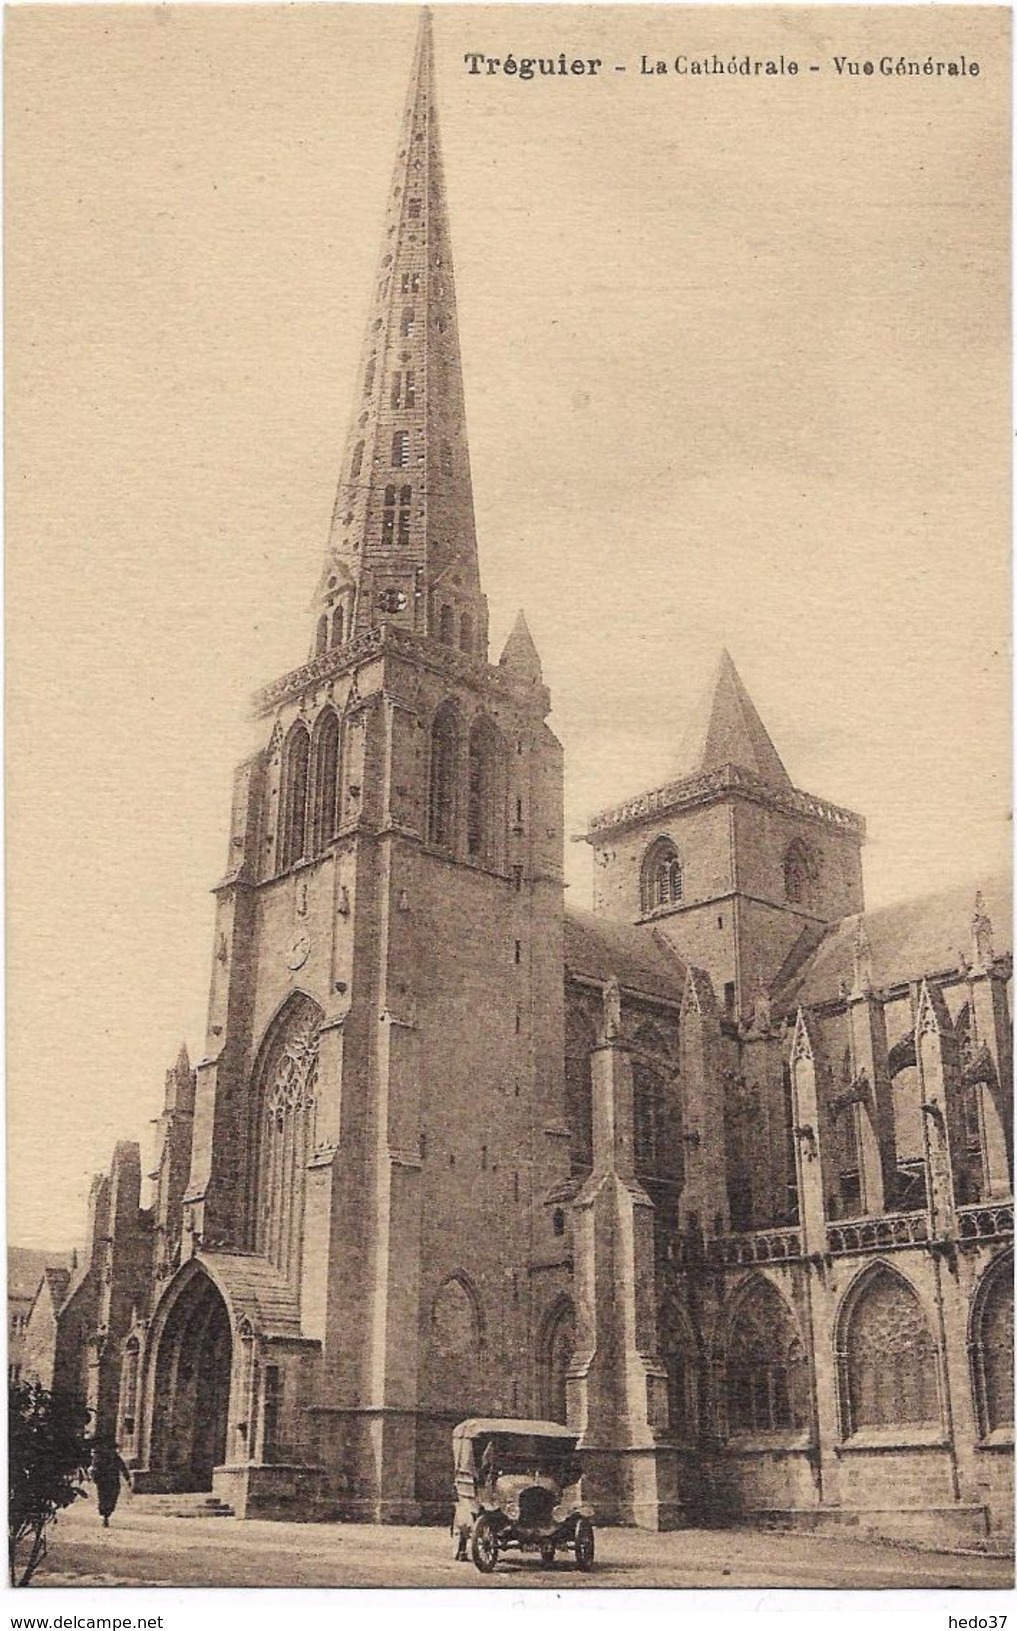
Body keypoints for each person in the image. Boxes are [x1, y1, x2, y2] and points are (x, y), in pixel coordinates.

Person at [91, 1439, 131, 1528]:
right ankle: (104, 1516)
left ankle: (107, 1515)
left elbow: (123, 1467)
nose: (114, 1451)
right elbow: (95, 1469)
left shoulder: (116, 1458)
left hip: (113, 1481)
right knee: (103, 1498)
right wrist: (96, 1478)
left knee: (112, 1498)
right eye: (112, 1449)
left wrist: (127, 1478)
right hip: (104, 1481)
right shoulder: (101, 1457)